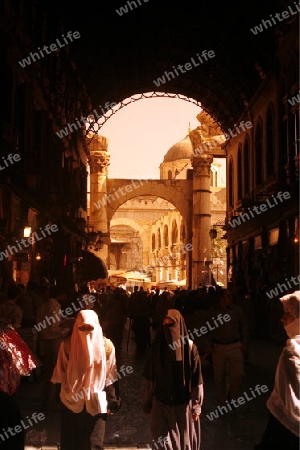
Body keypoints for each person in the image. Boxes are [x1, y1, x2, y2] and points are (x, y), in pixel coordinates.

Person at [51, 309, 119, 450]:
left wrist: (112, 400)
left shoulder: (107, 346)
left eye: (90, 328)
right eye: (82, 328)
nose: (86, 332)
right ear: (76, 326)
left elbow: (111, 374)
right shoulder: (67, 345)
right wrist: (57, 397)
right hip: (70, 401)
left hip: (95, 402)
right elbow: (61, 371)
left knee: (94, 444)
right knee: (71, 443)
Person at [142, 309, 203, 449]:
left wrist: (196, 406)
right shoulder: (157, 348)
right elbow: (150, 377)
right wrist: (147, 402)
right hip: (161, 401)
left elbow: (196, 379)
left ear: (179, 325)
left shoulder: (190, 348)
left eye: (172, 324)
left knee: (183, 441)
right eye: (165, 324)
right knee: (160, 440)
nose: (168, 328)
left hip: (183, 403)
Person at [254, 290, 300, 449]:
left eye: (288, 313)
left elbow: (288, 400)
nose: (282, 319)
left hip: (286, 427)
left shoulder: (291, 352)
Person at [205, 288, 249, 407]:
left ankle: (232, 396)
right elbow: (208, 329)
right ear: (221, 298)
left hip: (234, 345)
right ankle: (221, 401)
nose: (230, 298)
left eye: (231, 296)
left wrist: (244, 344)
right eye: (228, 296)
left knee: (238, 374)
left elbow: (243, 327)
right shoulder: (213, 311)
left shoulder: (236, 310)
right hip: (218, 346)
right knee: (219, 376)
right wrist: (208, 344)